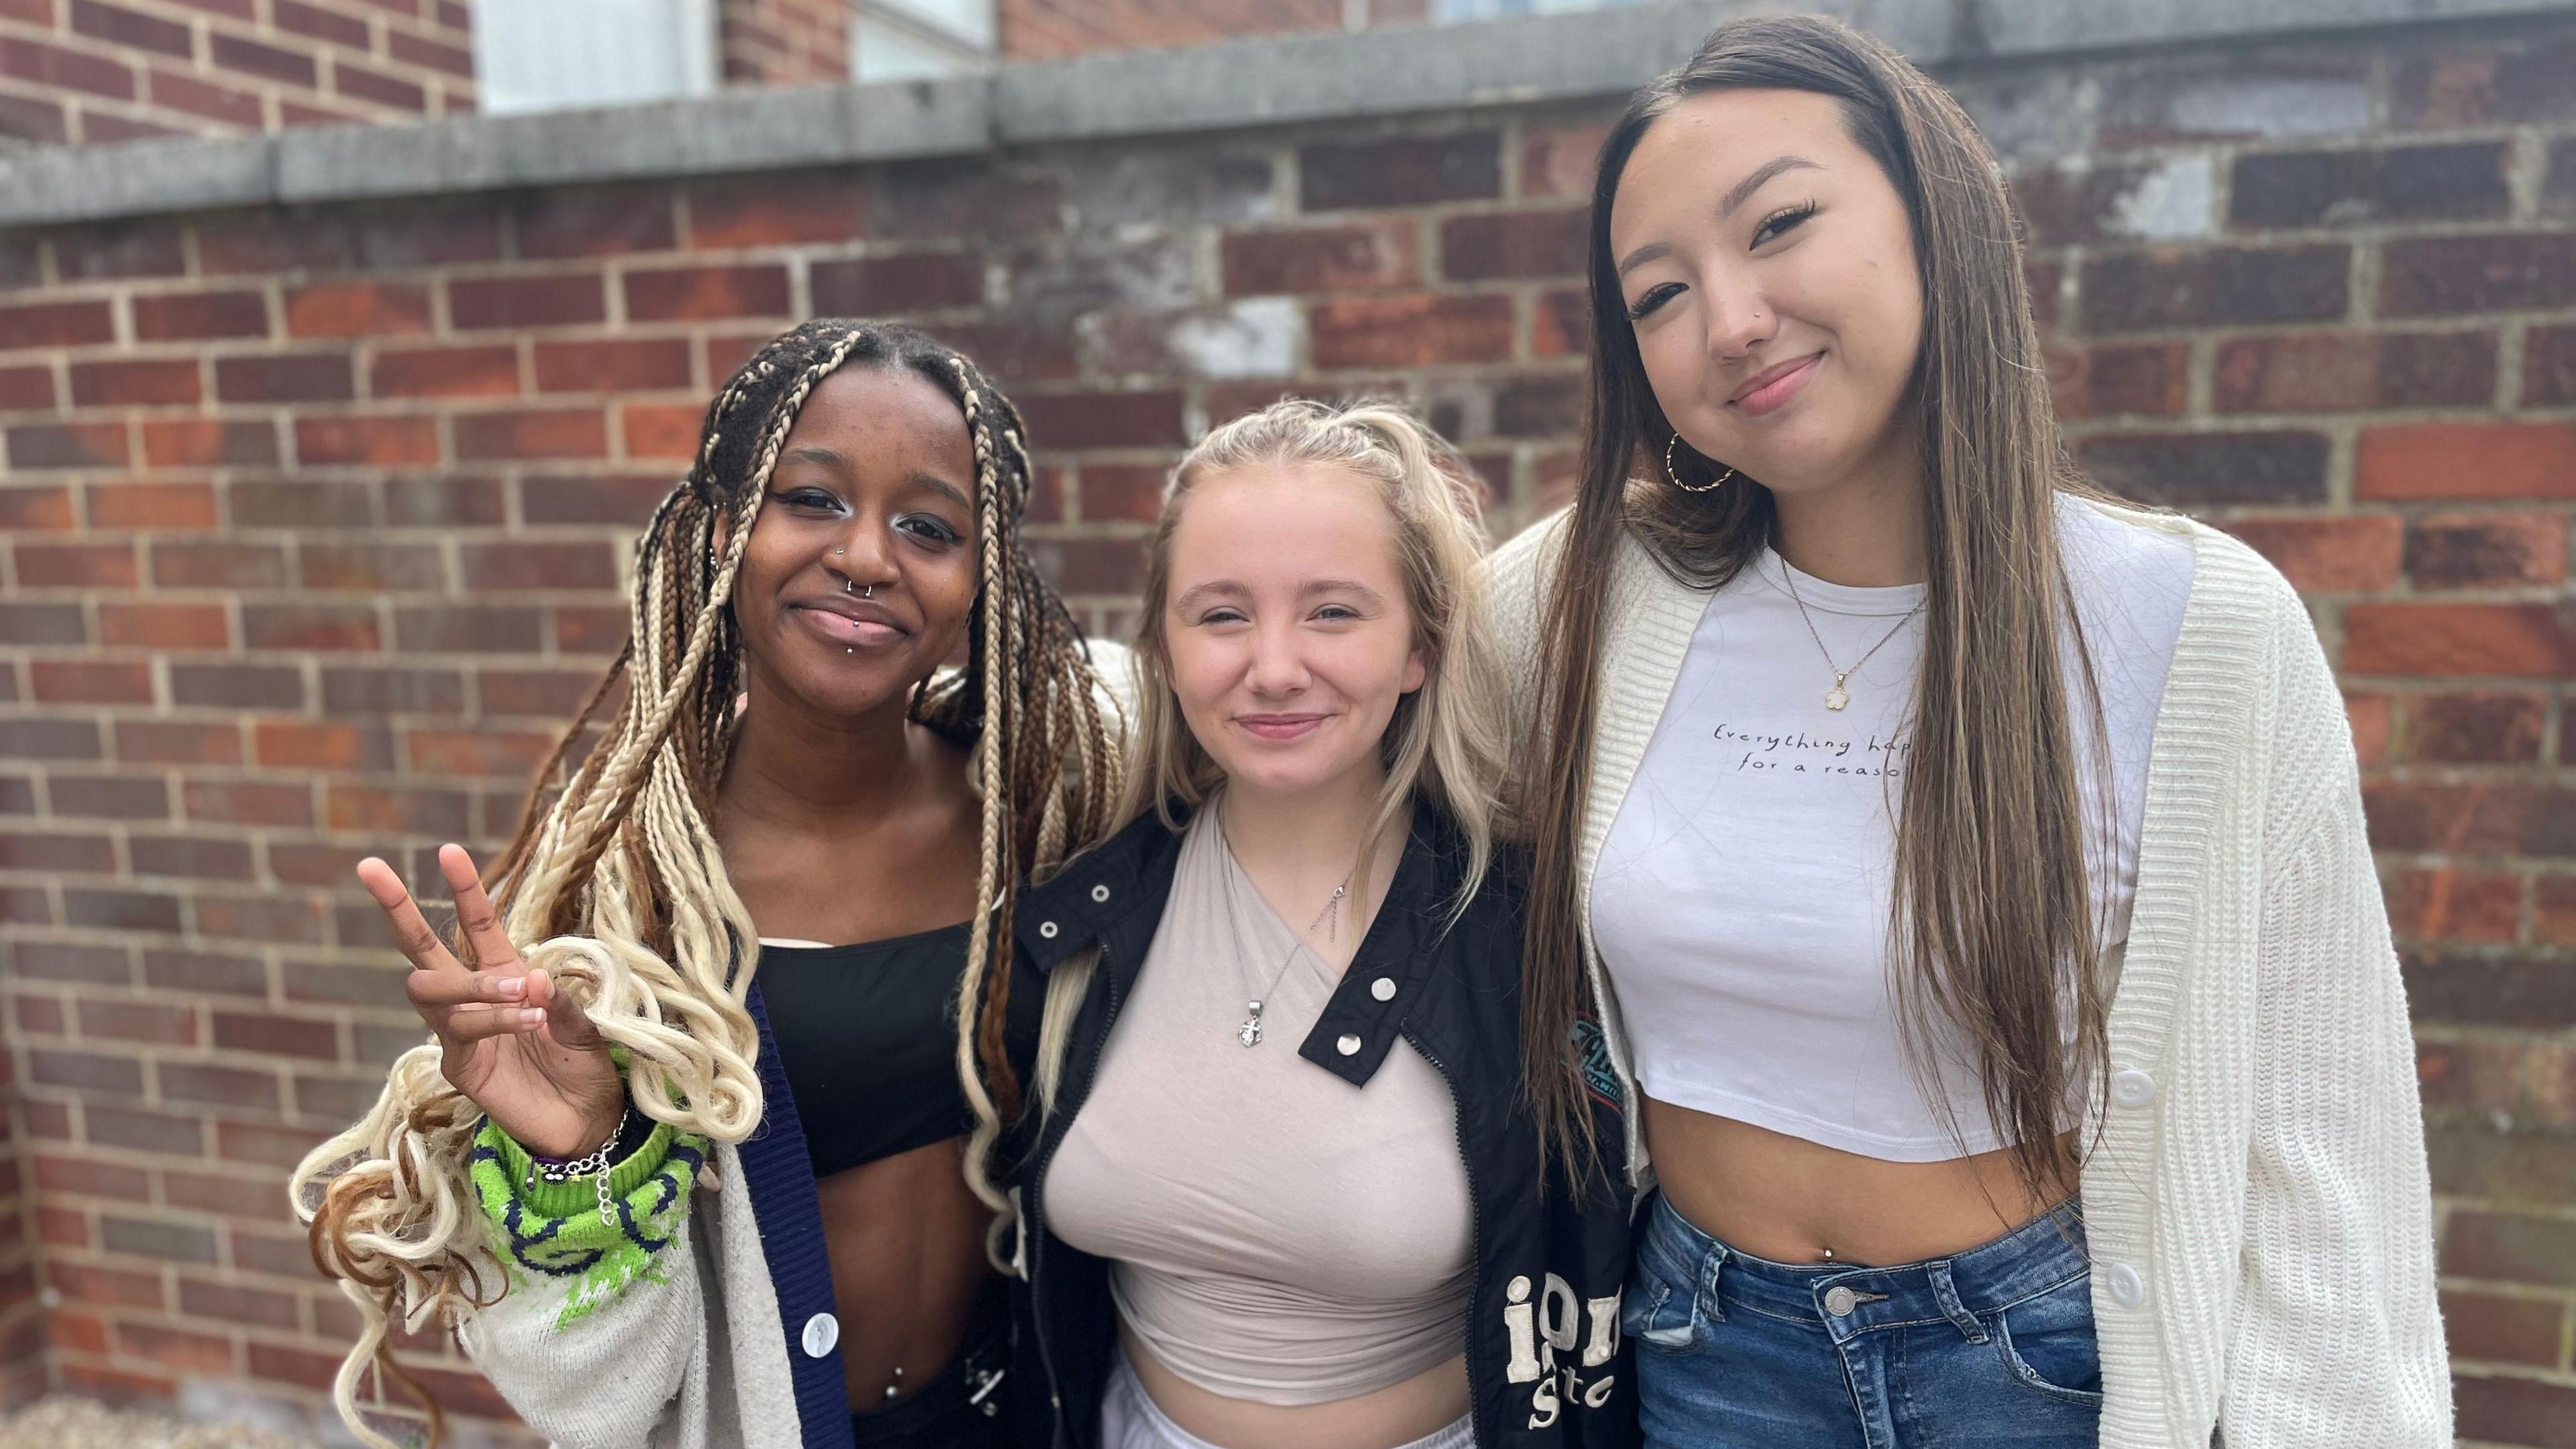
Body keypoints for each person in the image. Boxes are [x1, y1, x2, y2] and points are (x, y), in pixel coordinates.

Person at [1489, 15, 2449, 1448]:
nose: (1732, 318)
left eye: (1782, 225)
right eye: (1661, 294)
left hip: (2043, 1366)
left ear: (1937, 222)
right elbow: (1311, 663)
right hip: (1700, 1352)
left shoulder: (2201, 628)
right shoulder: (1583, 599)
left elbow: (2318, 1152)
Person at [290, 320, 1123, 1449]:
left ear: (983, 580)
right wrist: (572, 1159)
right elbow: (587, 1389)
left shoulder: (1045, 809)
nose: (869, 556)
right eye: (813, 500)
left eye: (930, 527)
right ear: (724, 532)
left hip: (1026, 1416)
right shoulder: (635, 871)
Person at [1004, 399, 1633, 1449]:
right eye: (1222, 615)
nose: (1276, 667)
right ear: (1162, 643)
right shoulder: (1087, 907)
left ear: (1420, 646)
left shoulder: (1522, 931)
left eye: (1334, 612)